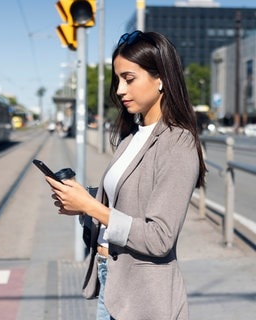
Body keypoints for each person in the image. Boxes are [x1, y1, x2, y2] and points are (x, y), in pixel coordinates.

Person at [46, 30, 206, 320]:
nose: (120, 90)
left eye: (129, 79)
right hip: (112, 284)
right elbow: (121, 206)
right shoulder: (131, 136)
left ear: (160, 79)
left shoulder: (178, 143)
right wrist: (80, 201)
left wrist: (91, 207)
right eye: (117, 80)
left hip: (146, 299)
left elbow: (160, 238)